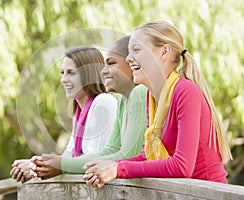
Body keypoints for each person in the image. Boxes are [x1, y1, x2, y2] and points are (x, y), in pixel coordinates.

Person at [83, 21, 232, 188]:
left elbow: (182, 167)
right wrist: (110, 165)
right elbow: (148, 156)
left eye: (137, 50)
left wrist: (120, 168)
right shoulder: (152, 97)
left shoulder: (186, 91)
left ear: (164, 52)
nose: (128, 58)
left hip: (206, 193)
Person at [13, 35, 148, 182]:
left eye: (71, 72)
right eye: (62, 73)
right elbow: (107, 151)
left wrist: (59, 166)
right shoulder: (121, 99)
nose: (63, 79)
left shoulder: (110, 100)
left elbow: (126, 156)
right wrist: (37, 165)